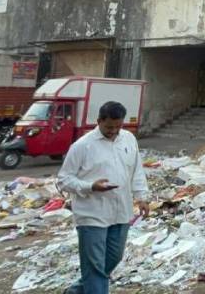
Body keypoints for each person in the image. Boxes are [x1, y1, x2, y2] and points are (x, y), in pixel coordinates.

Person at [58, 101, 148, 294]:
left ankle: (76, 291)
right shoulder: (82, 146)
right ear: (98, 121)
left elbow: (136, 170)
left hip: (120, 211)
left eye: (118, 126)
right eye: (109, 127)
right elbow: (63, 180)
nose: (114, 131)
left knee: (113, 258)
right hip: (91, 213)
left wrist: (142, 196)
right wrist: (91, 186)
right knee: (95, 266)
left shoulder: (129, 139)